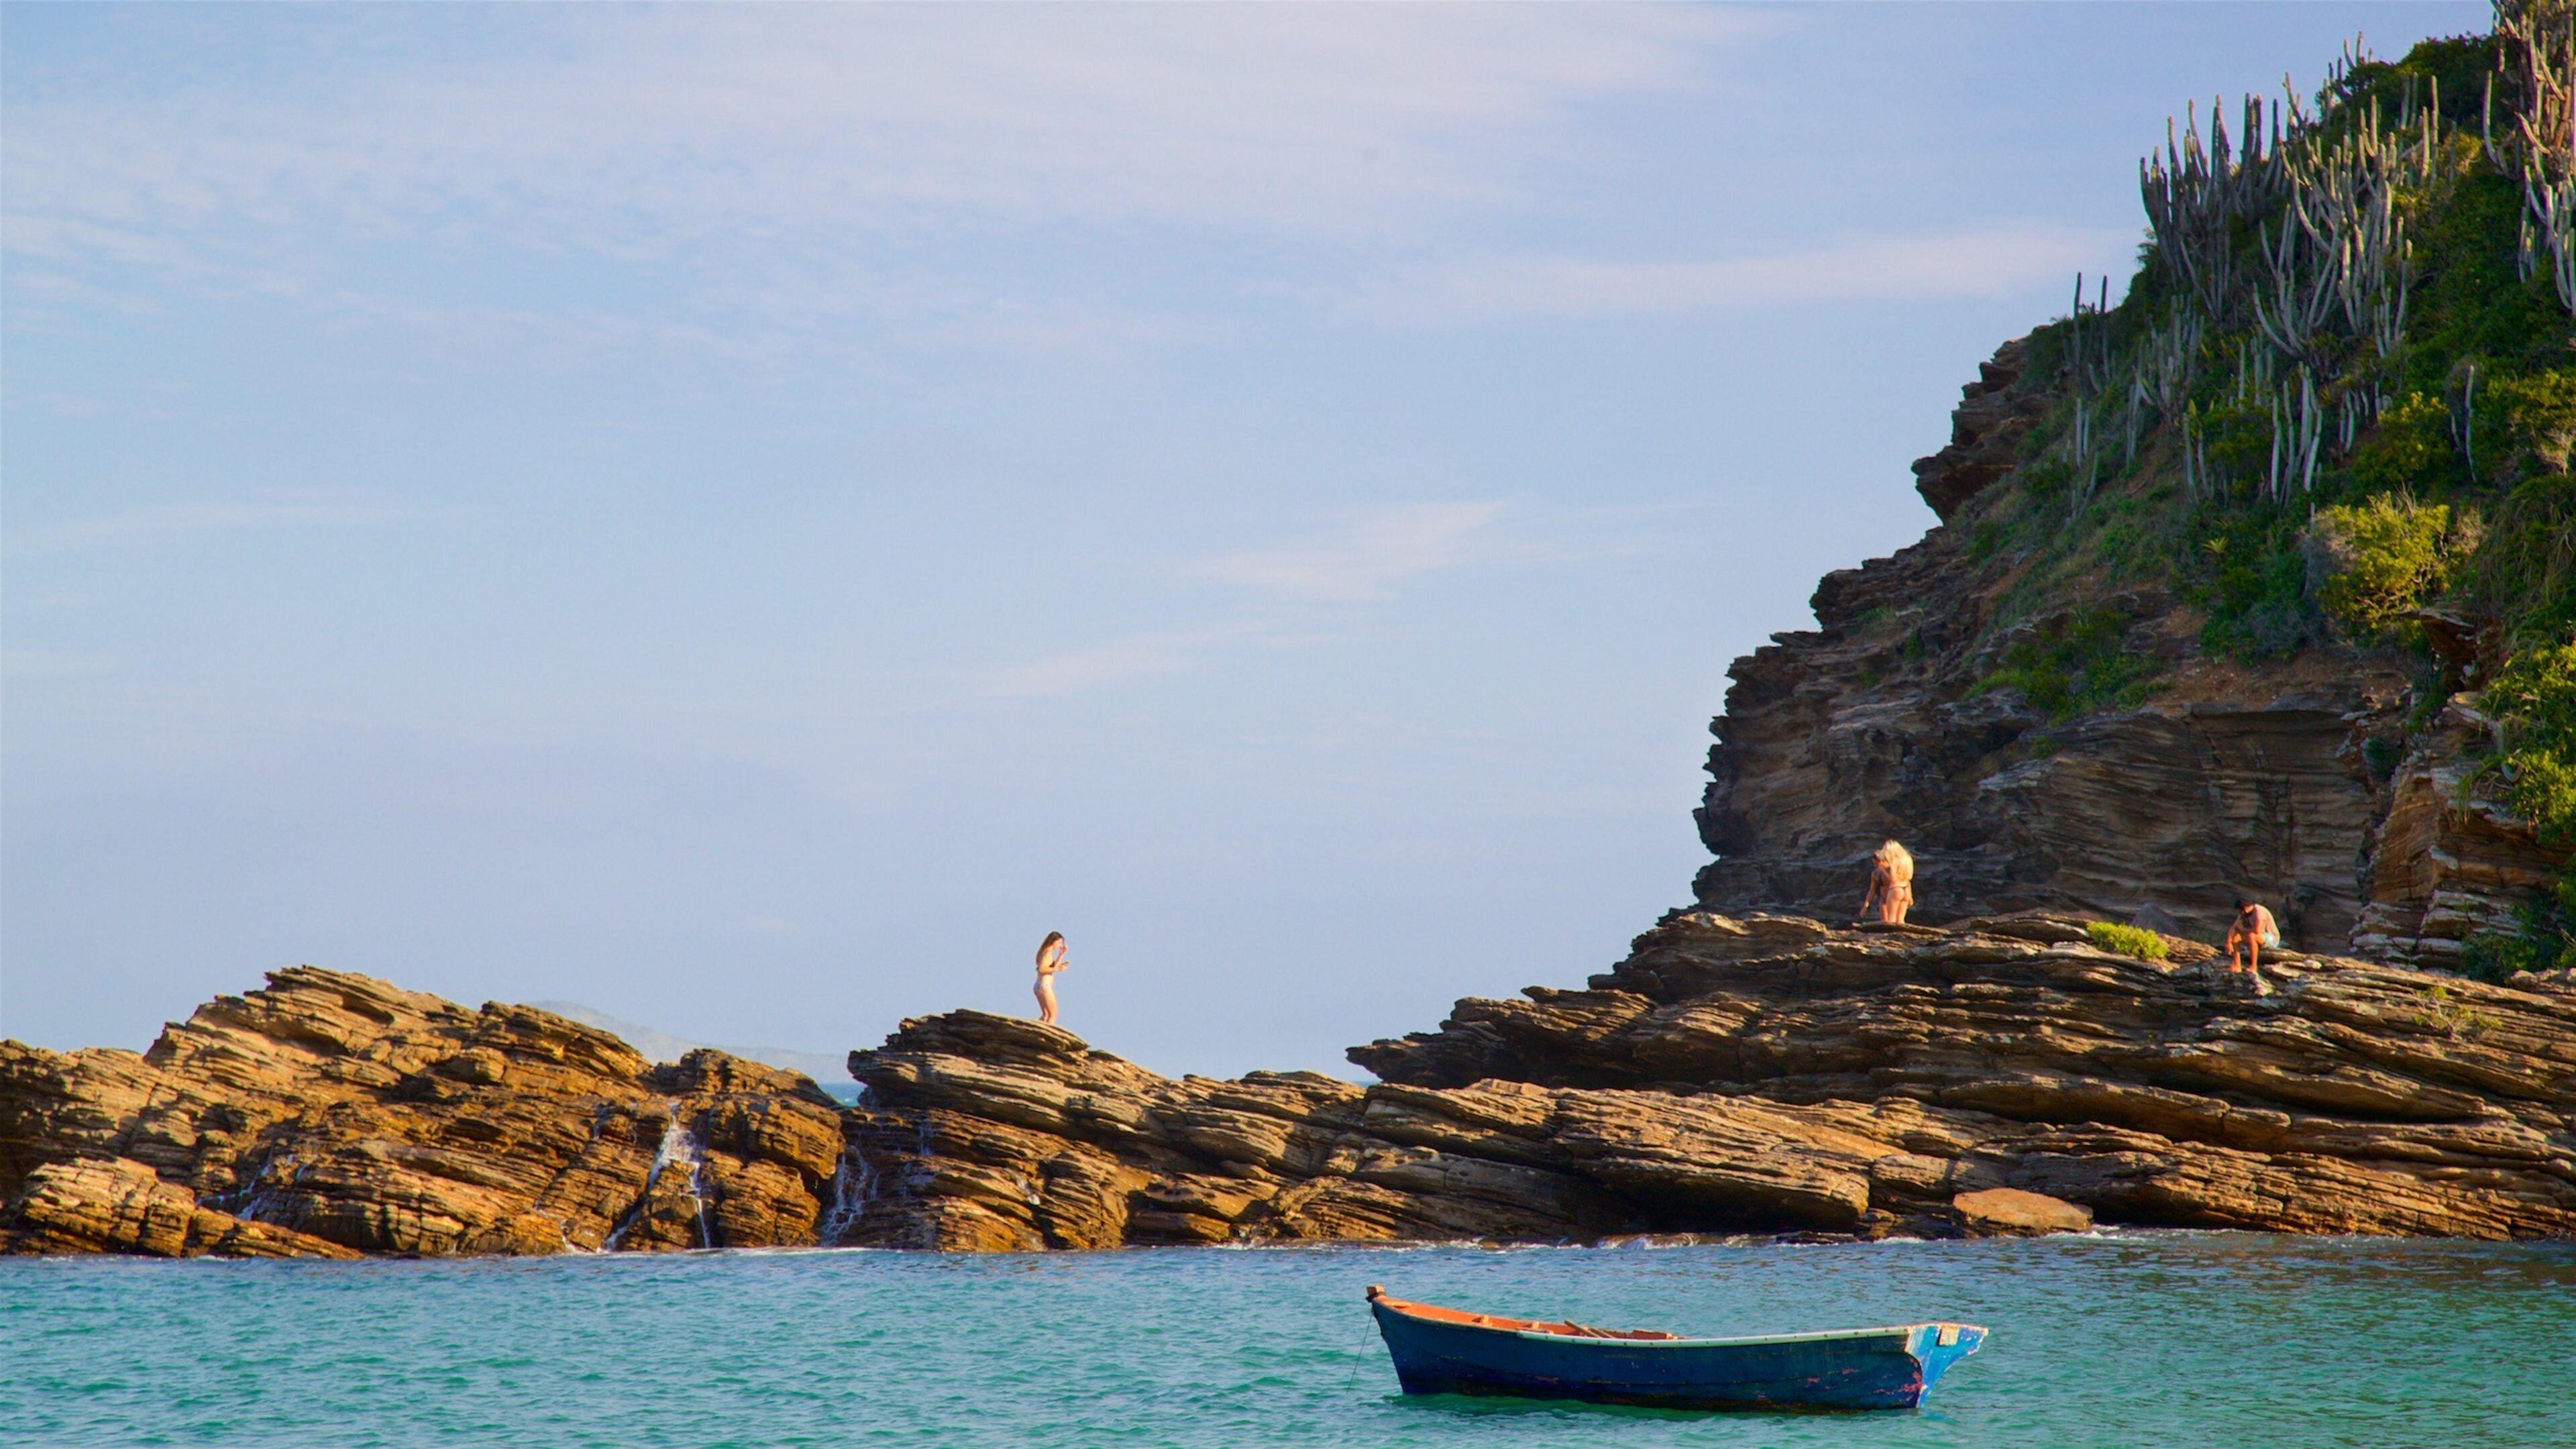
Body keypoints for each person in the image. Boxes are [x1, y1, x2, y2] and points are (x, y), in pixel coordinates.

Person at [2224, 898, 2279, 996]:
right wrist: (2229, 942)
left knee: (2251, 936)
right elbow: (2234, 928)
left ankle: (2253, 966)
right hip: (2254, 936)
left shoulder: (2259, 912)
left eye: (2240, 911)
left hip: (2271, 938)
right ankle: (2237, 965)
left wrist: (2243, 931)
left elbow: (2257, 931)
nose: (2240, 913)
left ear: (2245, 908)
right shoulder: (2244, 915)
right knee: (2236, 937)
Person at [1858, 841, 1915, 925]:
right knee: (1900, 921)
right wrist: (1866, 905)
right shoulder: (1907, 860)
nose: (1876, 867)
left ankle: (1891, 937)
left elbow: (1893, 879)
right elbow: (1907, 879)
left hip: (1895, 890)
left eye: (1877, 864)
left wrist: (1883, 870)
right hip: (1904, 889)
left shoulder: (1893, 863)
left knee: (1890, 920)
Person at [1032, 930, 1069, 1025]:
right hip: (1044, 986)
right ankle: (1045, 1037)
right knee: (1053, 1015)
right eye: (1058, 942)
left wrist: (1061, 955)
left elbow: (1051, 967)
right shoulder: (1047, 953)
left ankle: (1035, 1029)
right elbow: (1041, 969)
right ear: (1052, 941)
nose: (1059, 945)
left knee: (1046, 1015)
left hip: (1039, 986)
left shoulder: (1045, 952)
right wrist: (1058, 968)